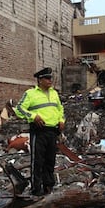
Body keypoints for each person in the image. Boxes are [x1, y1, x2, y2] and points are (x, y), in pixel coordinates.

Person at [14, 67, 65, 196]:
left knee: (50, 160)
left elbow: (60, 109)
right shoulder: (31, 94)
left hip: (53, 131)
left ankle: (48, 186)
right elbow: (19, 109)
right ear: (40, 80)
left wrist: (61, 120)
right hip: (39, 131)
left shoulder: (54, 93)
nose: (50, 81)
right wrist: (33, 116)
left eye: (50, 78)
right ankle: (36, 188)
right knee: (37, 161)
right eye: (47, 78)